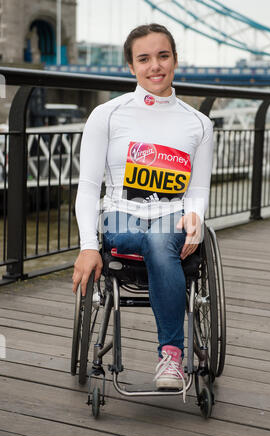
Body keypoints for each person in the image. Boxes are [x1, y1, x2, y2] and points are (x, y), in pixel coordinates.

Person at [72, 23, 214, 392]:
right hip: (121, 218)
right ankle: (171, 351)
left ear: (175, 60)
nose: (155, 66)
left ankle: (171, 356)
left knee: (159, 239)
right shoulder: (107, 115)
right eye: (144, 58)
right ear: (130, 67)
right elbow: (88, 187)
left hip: (172, 221)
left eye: (163, 56)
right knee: (153, 239)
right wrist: (89, 245)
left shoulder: (199, 124)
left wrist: (196, 217)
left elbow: (198, 189)